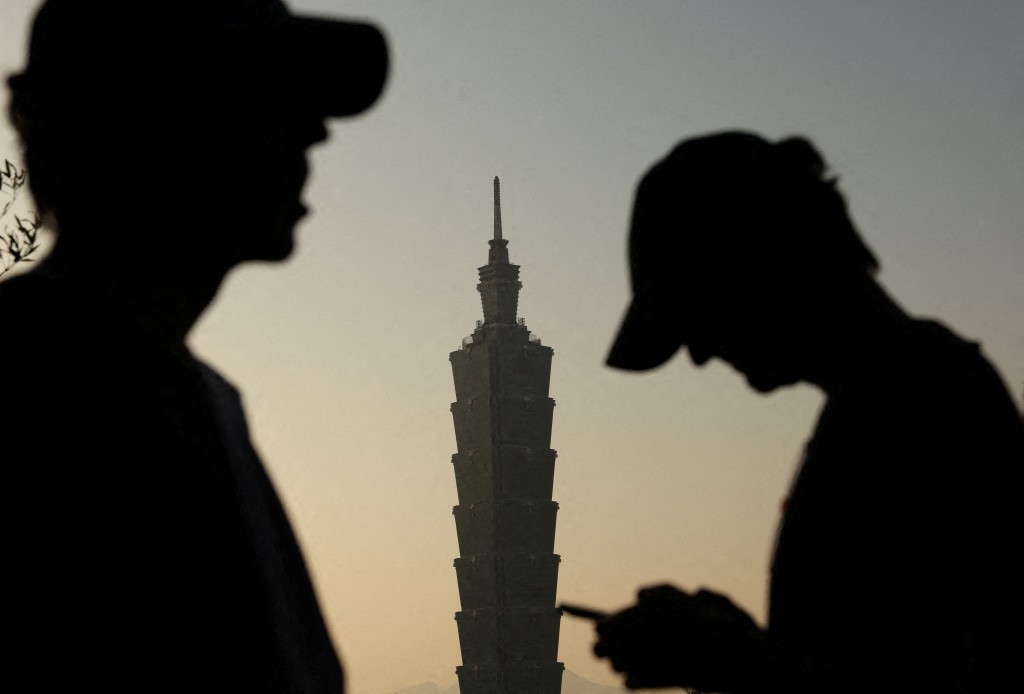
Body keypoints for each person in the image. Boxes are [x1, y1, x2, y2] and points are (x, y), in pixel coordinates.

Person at [2, 0, 387, 690]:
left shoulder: (191, 395)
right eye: (267, 95)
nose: (315, 132)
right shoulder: (39, 381)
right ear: (149, 121)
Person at [593, 131, 1024, 693]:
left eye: (696, 309)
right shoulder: (897, 395)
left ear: (759, 261)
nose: (699, 351)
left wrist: (731, 656)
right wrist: (746, 650)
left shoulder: (923, 397)